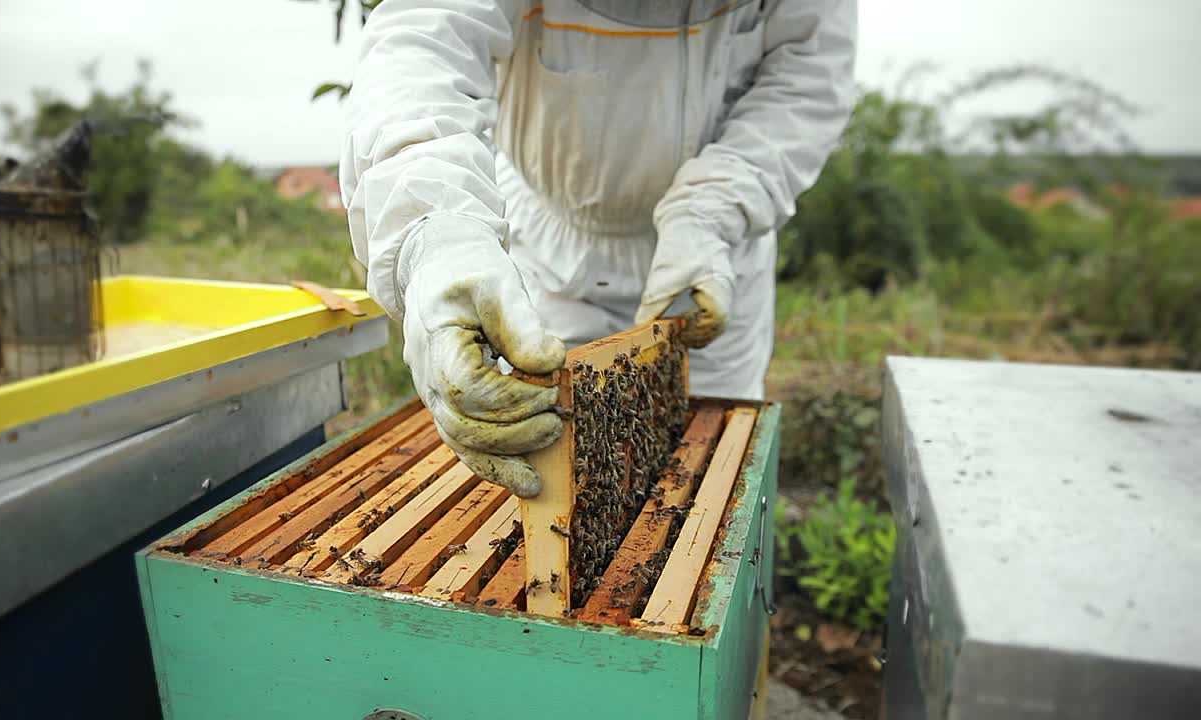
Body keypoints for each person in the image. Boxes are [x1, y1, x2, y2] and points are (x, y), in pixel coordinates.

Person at [339, 0, 857, 498]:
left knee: (712, 486)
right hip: (550, 254)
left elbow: (804, 84)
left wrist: (712, 209)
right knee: (551, 467)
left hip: (714, 256)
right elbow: (426, 38)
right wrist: (438, 233)